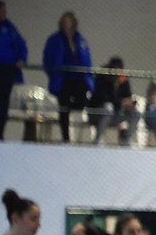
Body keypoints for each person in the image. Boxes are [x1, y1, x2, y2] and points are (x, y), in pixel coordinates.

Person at [42, 11, 94, 143]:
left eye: (69, 21)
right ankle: (66, 137)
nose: (66, 24)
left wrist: (87, 75)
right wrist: (54, 73)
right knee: (63, 107)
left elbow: (87, 59)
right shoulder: (54, 40)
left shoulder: (80, 40)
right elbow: (47, 59)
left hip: (78, 78)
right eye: (64, 21)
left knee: (82, 102)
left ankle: (73, 109)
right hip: (63, 78)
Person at [0, 1, 28, 141]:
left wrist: (22, 58)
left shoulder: (10, 27)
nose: (5, 13)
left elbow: (21, 44)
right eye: (3, 10)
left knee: (4, 102)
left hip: (7, 69)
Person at [89, 56, 141, 146]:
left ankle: (126, 139)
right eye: (114, 68)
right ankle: (98, 138)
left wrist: (129, 102)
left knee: (136, 112)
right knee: (108, 107)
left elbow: (127, 95)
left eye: (119, 68)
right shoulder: (102, 78)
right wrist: (120, 102)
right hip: (98, 114)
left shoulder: (123, 80)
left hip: (115, 114)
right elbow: (104, 98)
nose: (117, 71)